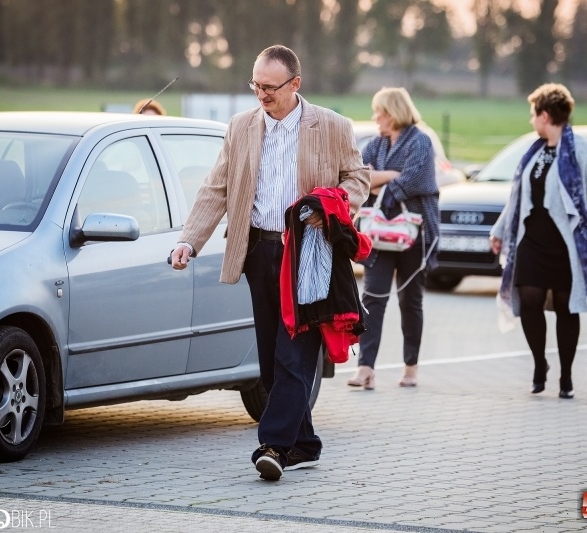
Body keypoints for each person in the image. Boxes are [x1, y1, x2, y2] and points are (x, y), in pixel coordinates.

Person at [170, 45, 369, 481]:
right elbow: (216, 188)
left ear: (295, 84)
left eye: (269, 87)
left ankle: (275, 445)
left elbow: (358, 178)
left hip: (309, 254)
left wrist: (331, 206)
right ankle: (305, 442)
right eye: (255, 85)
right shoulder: (240, 127)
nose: (260, 94)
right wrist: (190, 240)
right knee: (269, 359)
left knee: (295, 355)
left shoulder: (332, 126)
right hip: (259, 252)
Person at [489, 83, 587, 399]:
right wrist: (499, 230)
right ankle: (539, 365)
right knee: (529, 301)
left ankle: (567, 376)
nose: (531, 121)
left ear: (545, 115)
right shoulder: (533, 151)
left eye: (534, 114)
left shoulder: (582, 150)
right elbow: (517, 196)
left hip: (567, 243)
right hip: (531, 240)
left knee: (565, 306)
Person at [347, 87, 440, 390]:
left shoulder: (421, 141)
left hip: (414, 234)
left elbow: (417, 179)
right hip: (378, 233)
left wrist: (382, 179)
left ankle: (411, 367)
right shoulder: (375, 144)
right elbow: (361, 176)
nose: (375, 118)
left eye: (380, 112)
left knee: (410, 299)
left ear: (394, 112)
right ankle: (365, 367)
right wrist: (392, 175)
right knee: (373, 297)